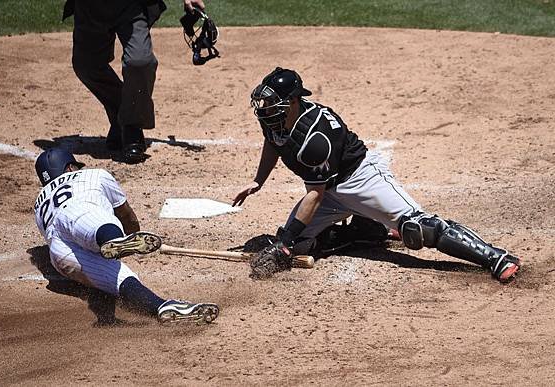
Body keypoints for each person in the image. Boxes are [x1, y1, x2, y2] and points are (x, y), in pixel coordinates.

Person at [233, 67, 521, 282]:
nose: (266, 109)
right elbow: (273, 143)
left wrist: (283, 243)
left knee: (418, 229)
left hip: (361, 180)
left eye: (272, 103)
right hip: (330, 192)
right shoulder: (277, 119)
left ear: (293, 101)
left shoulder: (316, 137)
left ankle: (494, 257)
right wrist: (258, 180)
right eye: (265, 103)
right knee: (298, 247)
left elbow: (314, 195)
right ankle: (363, 231)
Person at [33, 147, 219, 325]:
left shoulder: (39, 203)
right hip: (82, 214)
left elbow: (56, 232)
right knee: (96, 222)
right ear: (70, 167)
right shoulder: (93, 174)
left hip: (60, 253)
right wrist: (135, 236)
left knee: (119, 277)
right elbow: (126, 215)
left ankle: (161, 307)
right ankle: (114, 240)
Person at [62, 0, 206, 163]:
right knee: (86, 65)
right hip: (90, 8)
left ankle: (131, 128)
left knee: (140, 62)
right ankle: (121, 115)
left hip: (130, 6)